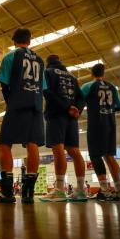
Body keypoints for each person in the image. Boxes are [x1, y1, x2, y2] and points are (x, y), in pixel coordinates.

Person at [0, 28, 46, 204]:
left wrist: (11, 102)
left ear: (14, 41)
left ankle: (7, 193)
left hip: (17, 103)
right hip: (36, 106)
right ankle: (28, 194)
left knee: (4, 144)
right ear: (29, 41)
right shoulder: (40, 59)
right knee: (32, 144)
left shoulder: (10, 57)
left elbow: (4, 84)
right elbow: (43, 87)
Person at [40, 54, 87, 202]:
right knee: (74, 151)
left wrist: (66, 107)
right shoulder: (72, 77)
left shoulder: (47, 72)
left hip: (56, 115)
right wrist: (76, 109)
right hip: (72, 118)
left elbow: (46, 92)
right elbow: (82, 98)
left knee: (58, 149)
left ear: (48, 63)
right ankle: (80, 190)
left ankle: (59, 190)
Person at [81, 63, 120, 202]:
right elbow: (119, 106)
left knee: (95, 155)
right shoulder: (113, 87)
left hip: (96, 123)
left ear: (91, 74)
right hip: (110, 124)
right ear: (104, 73)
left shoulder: (88, 86)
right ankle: (119, 191)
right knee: (110, 156)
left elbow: (79, 101)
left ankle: (105, 191)